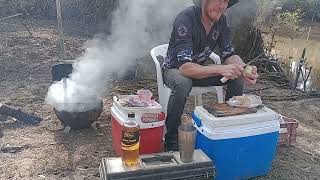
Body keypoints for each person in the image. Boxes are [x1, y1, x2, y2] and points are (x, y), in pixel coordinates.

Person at [162, 0, 259, 151]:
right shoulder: (185, 19)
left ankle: (228, 130)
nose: (222, 6)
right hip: (175, 70)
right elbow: (185, 67)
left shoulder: (222, 20)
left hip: (199, 69)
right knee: (183, 83)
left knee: (237, 76)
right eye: (218, 0)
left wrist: (245, 68)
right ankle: (171, 140)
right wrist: (220, 68)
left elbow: (229, 54)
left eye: (225, 1)